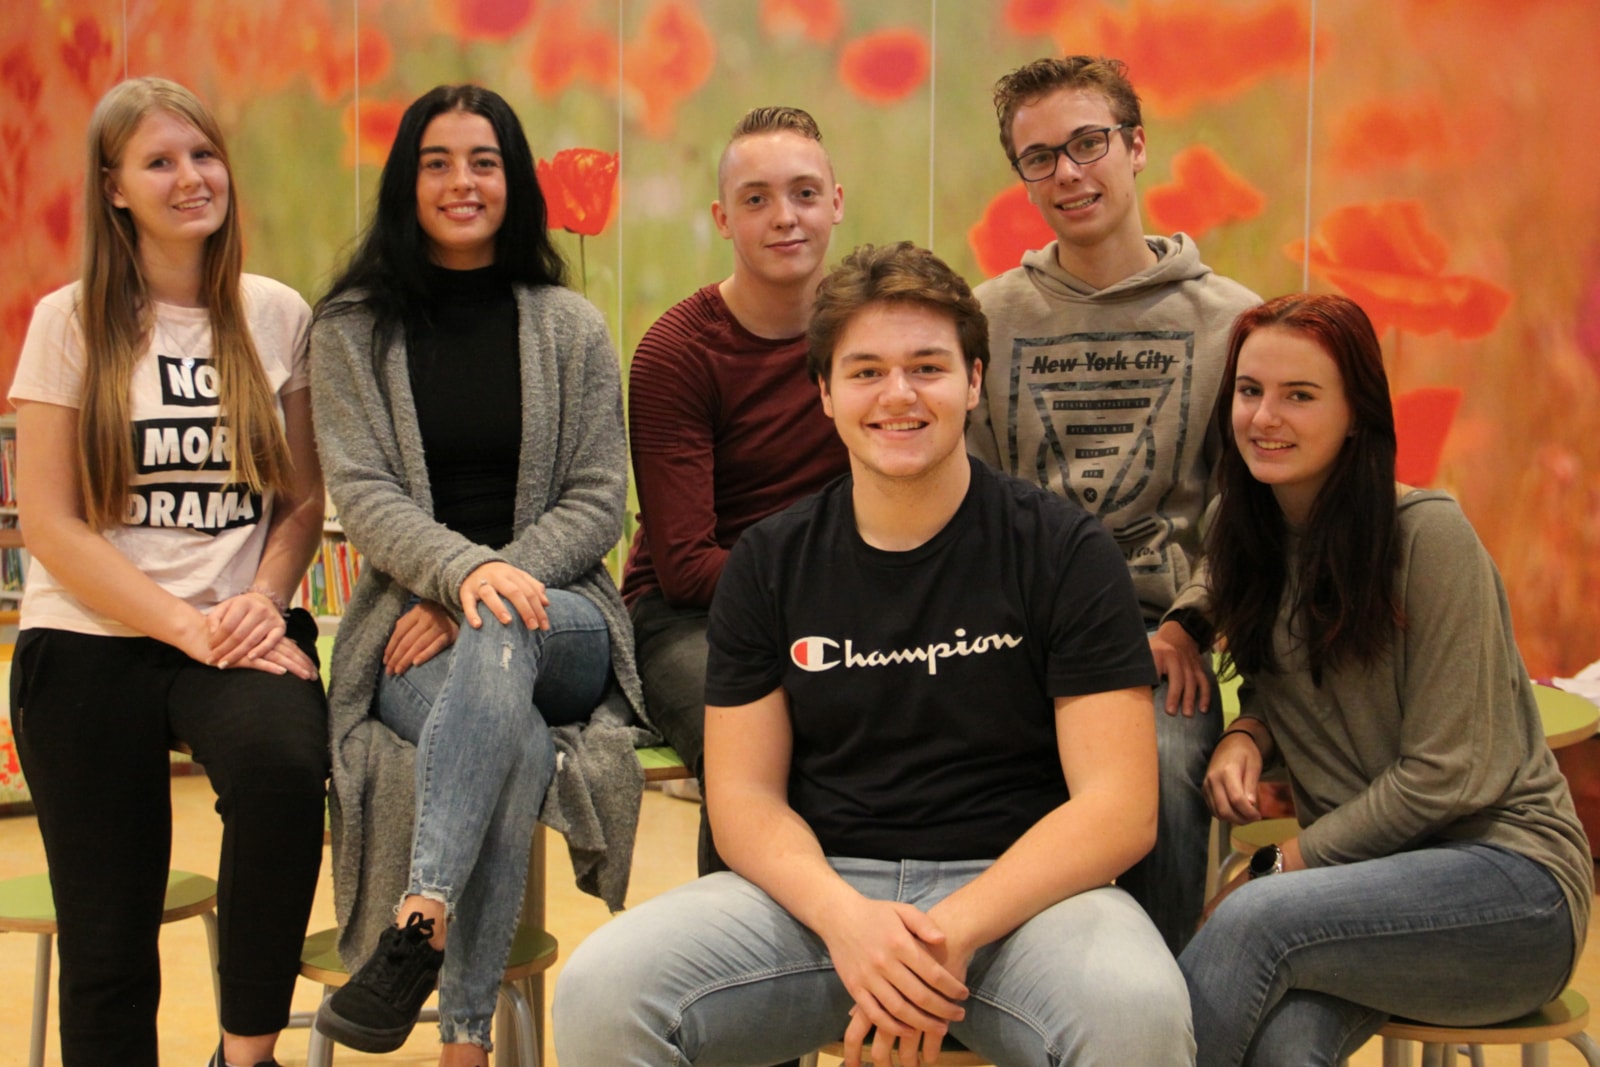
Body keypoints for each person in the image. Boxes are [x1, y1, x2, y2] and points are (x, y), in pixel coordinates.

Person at [554, 242, 1193, 1067]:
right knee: (601, 991)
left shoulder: (1065, 551)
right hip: (820, 906)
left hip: (1021, 907)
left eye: (927, 367)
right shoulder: (769, 563)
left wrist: (950, 931)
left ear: (973, 381)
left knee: (1139, 1012)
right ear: (825, 392)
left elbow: (1118, 806)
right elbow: (744, 797)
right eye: (865, 372)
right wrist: (848, 921)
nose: (898, 394)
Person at [309, 84, 647, 1065]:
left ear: (514, 181)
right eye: (438, 162)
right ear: (405, 183)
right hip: (411, 634)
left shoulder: (570, 325)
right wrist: (460, 579)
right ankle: (465, 1042)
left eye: (484, 161)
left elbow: (598, 499)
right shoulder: (350, 329)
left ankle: (420, 912)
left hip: (564, 620)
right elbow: (363, 493)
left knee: (502, 624)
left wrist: (476, 594)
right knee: (517, 746)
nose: (462, 181)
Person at [1176, 294, 1592, 1066]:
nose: (1265, 416)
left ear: (1355, 415)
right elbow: (1295, 674)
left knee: (1250, 918)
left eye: (1300, 395)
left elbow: (1445, 773)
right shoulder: (1249, 533)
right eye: (1250, 390)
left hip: (1512, 889)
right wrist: (1248, 728)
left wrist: (1278, 863)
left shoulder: (1429, 537)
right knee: (1280, 1044)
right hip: (1365, 888)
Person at [7, 77, 328, 1067]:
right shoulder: (68, 321)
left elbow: (302, 501)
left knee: (283, 775)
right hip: (89, 634)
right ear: (114, 187)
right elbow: (50, 524)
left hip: (239, 624)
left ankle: (246, 1054)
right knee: (107, 934)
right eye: (159, 162)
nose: (191, 178)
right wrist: (187, 625)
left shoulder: (275, 313)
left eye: (203, 154)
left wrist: (261, 601)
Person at [968, 55, 1260, 954]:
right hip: (1017, 639)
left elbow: (1248, 511)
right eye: (1040, 156)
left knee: (1162, 772)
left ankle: (1154, 998)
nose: (1067, 172)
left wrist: (1190, 621)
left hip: (1159, 645)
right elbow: (967, 499)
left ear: (1135, 147)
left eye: (1088, 143)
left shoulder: (1232, 321)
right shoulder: (984, 321)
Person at [621, 105, 848, 872]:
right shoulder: (677, 352)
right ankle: (738, 938)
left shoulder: (868, 337)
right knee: (752, 747)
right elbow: (686, 567)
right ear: (723, 218)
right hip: (690, 619)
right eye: (756, 199)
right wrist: (842, 586)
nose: (785, 217)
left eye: (804, 193)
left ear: (835, 203)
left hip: (837, 601)